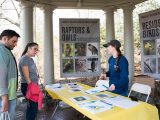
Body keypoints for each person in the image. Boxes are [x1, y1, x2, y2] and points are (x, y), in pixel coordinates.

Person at [0, 29, 20, 120]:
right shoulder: (1, 51)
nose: (15, 44)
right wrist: (4, 98)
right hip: (6, 96)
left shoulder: (5, 50)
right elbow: (1, 75)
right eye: (14, 41)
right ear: (5, 39)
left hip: (9, 95)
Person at [19, 42, 40, 120]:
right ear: (28, 48)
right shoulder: (24, 59)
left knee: (31, 107)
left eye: (37, 50)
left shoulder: (30, 59)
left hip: (32, 86)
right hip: (28, 86)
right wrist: (32, 88)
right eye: (35, 49)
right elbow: (26, 76)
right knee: (34, 108)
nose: (36, 51)